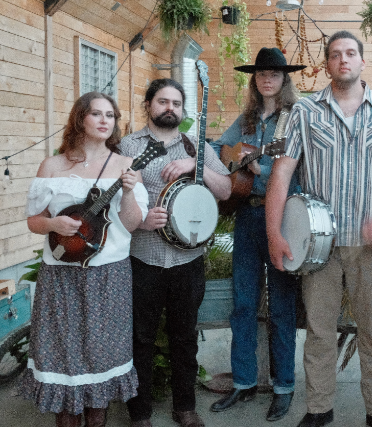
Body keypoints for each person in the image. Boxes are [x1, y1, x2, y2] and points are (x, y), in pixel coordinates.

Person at [266, 31, 372, 427]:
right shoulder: (303, 112)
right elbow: (281, 174)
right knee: (319, 331)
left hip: (369, 245)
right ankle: (319, 409)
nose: (343, 59)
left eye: (350, 53)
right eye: (335, 54)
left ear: (363, 61)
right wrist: (274, 233)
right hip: (318, 247)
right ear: (327, 64)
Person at [19, 92, 148, 427]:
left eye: (111, 115)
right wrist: (53, 225)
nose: (105, 120)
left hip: (109, 278)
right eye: (96, 114)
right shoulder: (53, 166)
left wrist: (129, 191)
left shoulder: (125, 165)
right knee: (63, 360)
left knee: (101, 360)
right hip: (60, 278)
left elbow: (132, 224)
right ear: (80, 118)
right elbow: (34, 221)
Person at [119, 78, 231, 427]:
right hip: (144, 257)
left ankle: (185, 407)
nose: (170, 108)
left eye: (176, 103)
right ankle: (139, 413)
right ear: (149, 105)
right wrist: (141, 221)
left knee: (185, 337)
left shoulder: (196, 146)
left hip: (187, 260)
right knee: (141, 338)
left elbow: (226, 189)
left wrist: (195, 166)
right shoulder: (129, 145)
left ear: (182, 110)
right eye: (163, 101)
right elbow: (117, 196)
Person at [208, 47, 304, 422]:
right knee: (243, 304)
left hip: (281, 218)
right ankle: (244, 381)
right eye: (261, 74)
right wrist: (240, 162)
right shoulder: (246, 119)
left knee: (281, 307)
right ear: (255, 80)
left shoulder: (295, 117)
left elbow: (299, 161)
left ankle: (284, 387)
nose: (267, 79)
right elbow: (221, 148)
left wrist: (263, 167)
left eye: (274, 74)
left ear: (284, 79)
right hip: (248, 216)